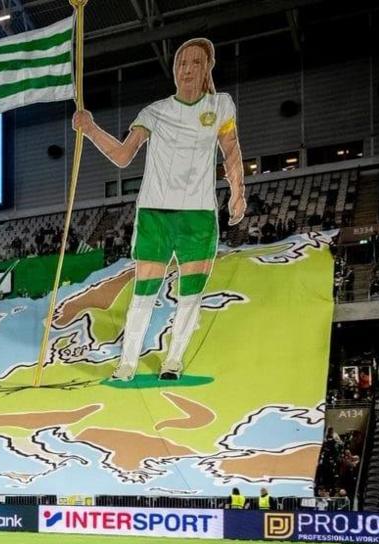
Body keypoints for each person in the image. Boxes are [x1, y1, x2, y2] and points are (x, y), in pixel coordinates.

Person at [72, 37, 246, 381]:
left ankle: (173, 361)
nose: (188, 69)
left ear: (207, 68)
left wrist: (238, 192)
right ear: (174, 70)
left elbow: (231, 150)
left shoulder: (221, 106)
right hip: (155, 211)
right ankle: (128, 363)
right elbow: (123, 156)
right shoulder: (155, 112)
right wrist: (91, 129)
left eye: (196, 62)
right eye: (182, 63)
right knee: (144, 291)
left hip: (198, 215)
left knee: (190, 293)